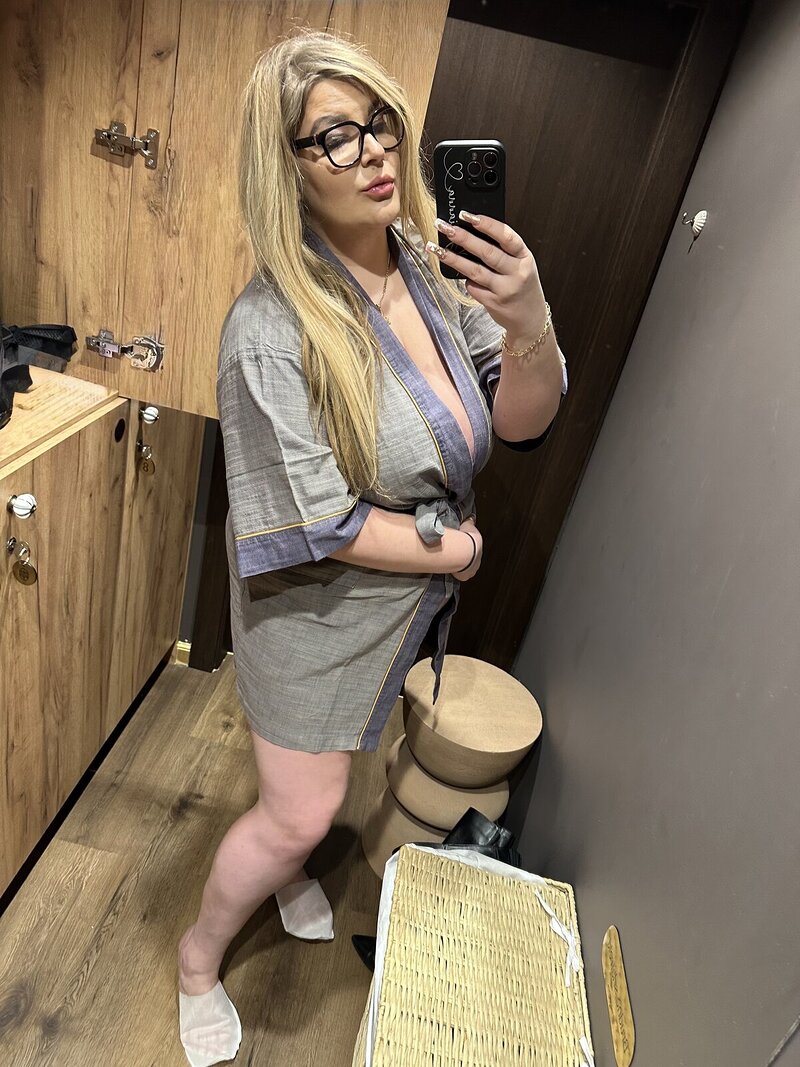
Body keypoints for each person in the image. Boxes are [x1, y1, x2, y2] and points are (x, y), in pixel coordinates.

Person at [176, 26, 568, 1066]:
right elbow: (323, 520)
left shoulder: (430, 269)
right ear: (287, 170)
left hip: (392, 607)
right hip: (312, 614)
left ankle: (287, 874)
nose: (375, 152)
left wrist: (528, 321)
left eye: (378, 122)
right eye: (334, 137)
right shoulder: (268, 330)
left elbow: (519, 420)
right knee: (301, 811)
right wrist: (454, 553)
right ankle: (197, 955)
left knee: (332, 771)